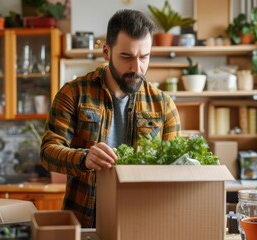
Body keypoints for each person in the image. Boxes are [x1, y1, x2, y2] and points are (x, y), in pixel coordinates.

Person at [40, 9, 181, 228]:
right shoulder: (73, 93)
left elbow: (175, 170)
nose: (137, 68)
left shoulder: (164, 105)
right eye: (126, 57)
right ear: (106, 52)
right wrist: (84, 159)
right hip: (84, 223)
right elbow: (48, 152)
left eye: (144, 57)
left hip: (142, 223)